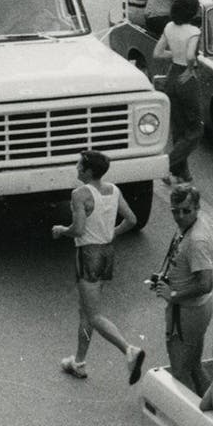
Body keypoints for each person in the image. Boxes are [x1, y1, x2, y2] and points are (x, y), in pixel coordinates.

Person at [53, 150, 147, 382]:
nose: (76, 168)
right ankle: (79, 362)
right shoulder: (114, 190)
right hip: (107, 252)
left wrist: (61, 230)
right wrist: (110, 233)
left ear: (88, 171)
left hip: (88, 254)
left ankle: (129, 350)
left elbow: (78, 230)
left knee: (93, 314)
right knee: (85, 311)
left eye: (79, 165)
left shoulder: (80, 194)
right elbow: (132, 220)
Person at [151, 184, 213, 393]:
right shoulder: (191, 225)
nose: (180, 216)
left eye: (186, 211)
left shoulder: (197, 240)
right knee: (195, 365)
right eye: (175, 211)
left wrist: (174, 295)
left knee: (179, 371)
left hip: (187, 311)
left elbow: (206, 284)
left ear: (197, 208)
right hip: (193, 309)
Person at [151, 0, 201, 179]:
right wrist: (190, 69)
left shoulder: (169, 27)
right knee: (196, 129)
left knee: (179, 128)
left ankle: (182, 172)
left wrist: (174, 54)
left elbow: (158, 52)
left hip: (172, 75)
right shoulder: (194, 32)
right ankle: (168, 164)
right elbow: (190, 55)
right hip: (186, 77)